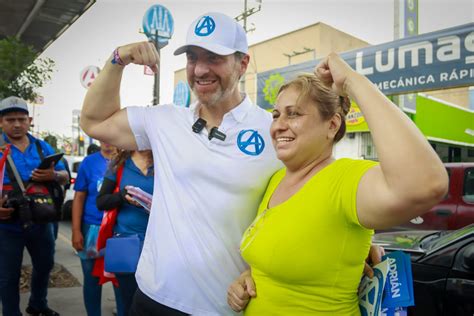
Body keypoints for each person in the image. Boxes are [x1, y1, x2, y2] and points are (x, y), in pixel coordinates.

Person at [80, 12, 383, 315]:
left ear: (243, 63)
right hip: (152, 298)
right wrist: (118, 59)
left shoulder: (275, 130)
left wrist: (352, 245)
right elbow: (94, 121)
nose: (199, 69)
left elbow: (316, 190)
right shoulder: (164, 120)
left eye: (213, 58)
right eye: (192, 58)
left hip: (225, 307)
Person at [227, 56, 449, 314]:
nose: (278, 125)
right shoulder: (276, 179)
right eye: (276, 115)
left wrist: (352, 82)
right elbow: (286, 257)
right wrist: (248, 277)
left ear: (332, 125)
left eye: (294, 114)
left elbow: (426, 183)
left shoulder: (345, 179)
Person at [0, 96, 69, 316]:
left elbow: (66, 176)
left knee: (45, 265)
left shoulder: (42, 147)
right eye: (10, 119)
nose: (17, 124)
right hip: (7, 225)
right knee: (8, 275)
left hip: (41, 221)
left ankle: (38, 304)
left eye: (21, 119)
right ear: (1, 122)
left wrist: (54, 174)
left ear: (29, 120)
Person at [96, 149, 154, 315]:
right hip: (125, 241)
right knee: (128, 301)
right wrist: (122, 196)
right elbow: (101, 202)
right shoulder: (119, 164)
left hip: (157, 242)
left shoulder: (164, 159)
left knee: (153, 301)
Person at [71, 142, 124, 316]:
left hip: (119, 231)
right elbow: (79, 197)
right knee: (92, 280)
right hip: (92, 230)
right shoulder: (89, 162)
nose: (107, 140)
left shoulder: (128, 161)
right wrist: (76, 230)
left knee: (121, 280)